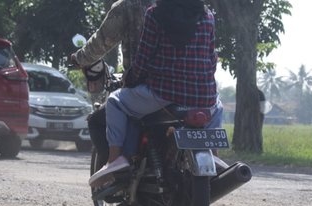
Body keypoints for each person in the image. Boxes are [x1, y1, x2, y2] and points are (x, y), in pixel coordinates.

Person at [89, 0, 223, 189]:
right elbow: (212, 59)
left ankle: (114, 158)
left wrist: (131, 79)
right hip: (203, 97)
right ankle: (214, 155)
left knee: (115, 101)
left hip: (162, 95)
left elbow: (143, 58)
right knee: (217, 106)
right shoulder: (207, 16)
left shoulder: (155, 14)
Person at [71, 0, 154, 171]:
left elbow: (102, 41)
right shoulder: (192, 9)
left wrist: (80, 58)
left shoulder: (131, 6)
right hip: (186, 89)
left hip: (145, 88)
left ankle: (114, 172)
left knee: (96, 120)